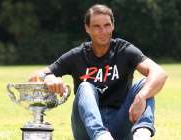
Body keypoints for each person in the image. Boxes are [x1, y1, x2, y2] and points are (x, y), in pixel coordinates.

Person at [29, 4, 167, 140]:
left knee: (145, 84)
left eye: (107, 25)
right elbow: (36, 76)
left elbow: (159, 73)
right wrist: (48, 77)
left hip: (121, 123)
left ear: (113, 26)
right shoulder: (77, 55)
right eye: (96, 26)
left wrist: (141, 97)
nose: (103, 31)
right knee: (85, 86)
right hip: (86, 130)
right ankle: (101, 136)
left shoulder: (124, 50)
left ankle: (142, 134)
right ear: (87, 28)